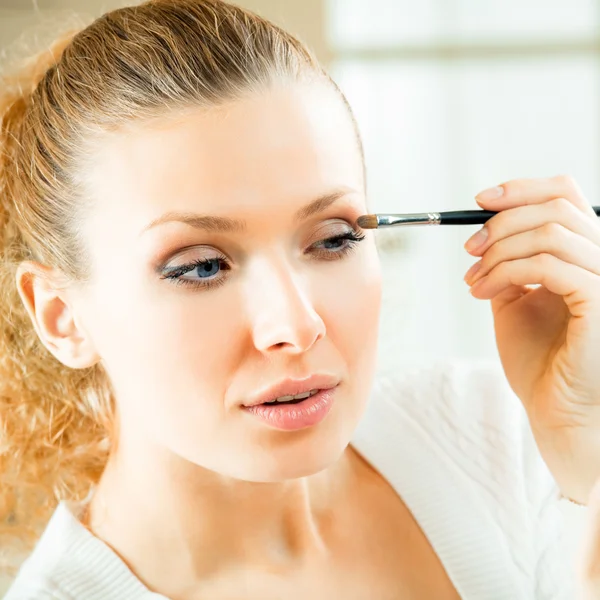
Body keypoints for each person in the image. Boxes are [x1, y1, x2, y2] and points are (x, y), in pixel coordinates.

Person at [1, 0, 600, 598]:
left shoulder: (500, 436)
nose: (297, 323)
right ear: (62, 317)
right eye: (202, 266)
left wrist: (583, 449)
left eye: (334, 239)